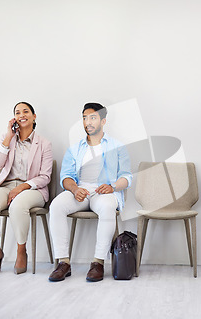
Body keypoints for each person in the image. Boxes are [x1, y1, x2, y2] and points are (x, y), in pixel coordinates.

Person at [48, 102, 132, 282]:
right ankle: (63, 262)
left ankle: (98, 262)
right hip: (80, 190)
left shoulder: (117, 147)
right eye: (85, 118)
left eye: (93, 117)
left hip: (104, 192)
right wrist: (74, 188)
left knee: (108, 207)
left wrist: (113, 187)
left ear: (103, 121)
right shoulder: (75, 149)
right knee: (56, 206)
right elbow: (66, 177)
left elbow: (126, 177)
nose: (88, 122)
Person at [0, 102, 53, 275]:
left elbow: (45, 177)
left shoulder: (44, 144)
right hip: (7, 185)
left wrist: (22, 188)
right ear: (14, 118)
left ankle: (21, 251)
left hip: (33, 189)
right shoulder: (8, 139)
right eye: (17, 112)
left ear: (34, 117)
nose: (22, 115)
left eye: (26, 111)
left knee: (18, 206)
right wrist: (8, 136)